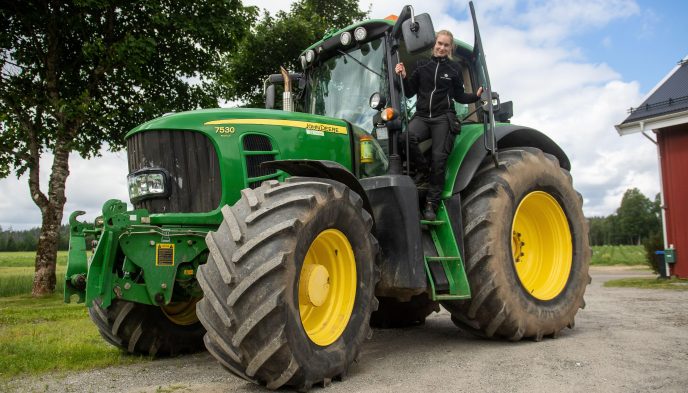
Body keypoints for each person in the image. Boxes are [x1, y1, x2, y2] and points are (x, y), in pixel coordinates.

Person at [396, 30, 483, 221]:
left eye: (446, 45)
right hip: (422, 116)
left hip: (443, 117)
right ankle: (424, 172)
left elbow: (459, 96)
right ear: (434, 44)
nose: (442, 47)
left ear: (450, 48)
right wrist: (403, 76)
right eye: (439, 43)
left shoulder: (453, 70)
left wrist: (476, 96)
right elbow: (409, 92)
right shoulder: (421, 65)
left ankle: (431, 205)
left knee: (439, 160)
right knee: (405, 138)